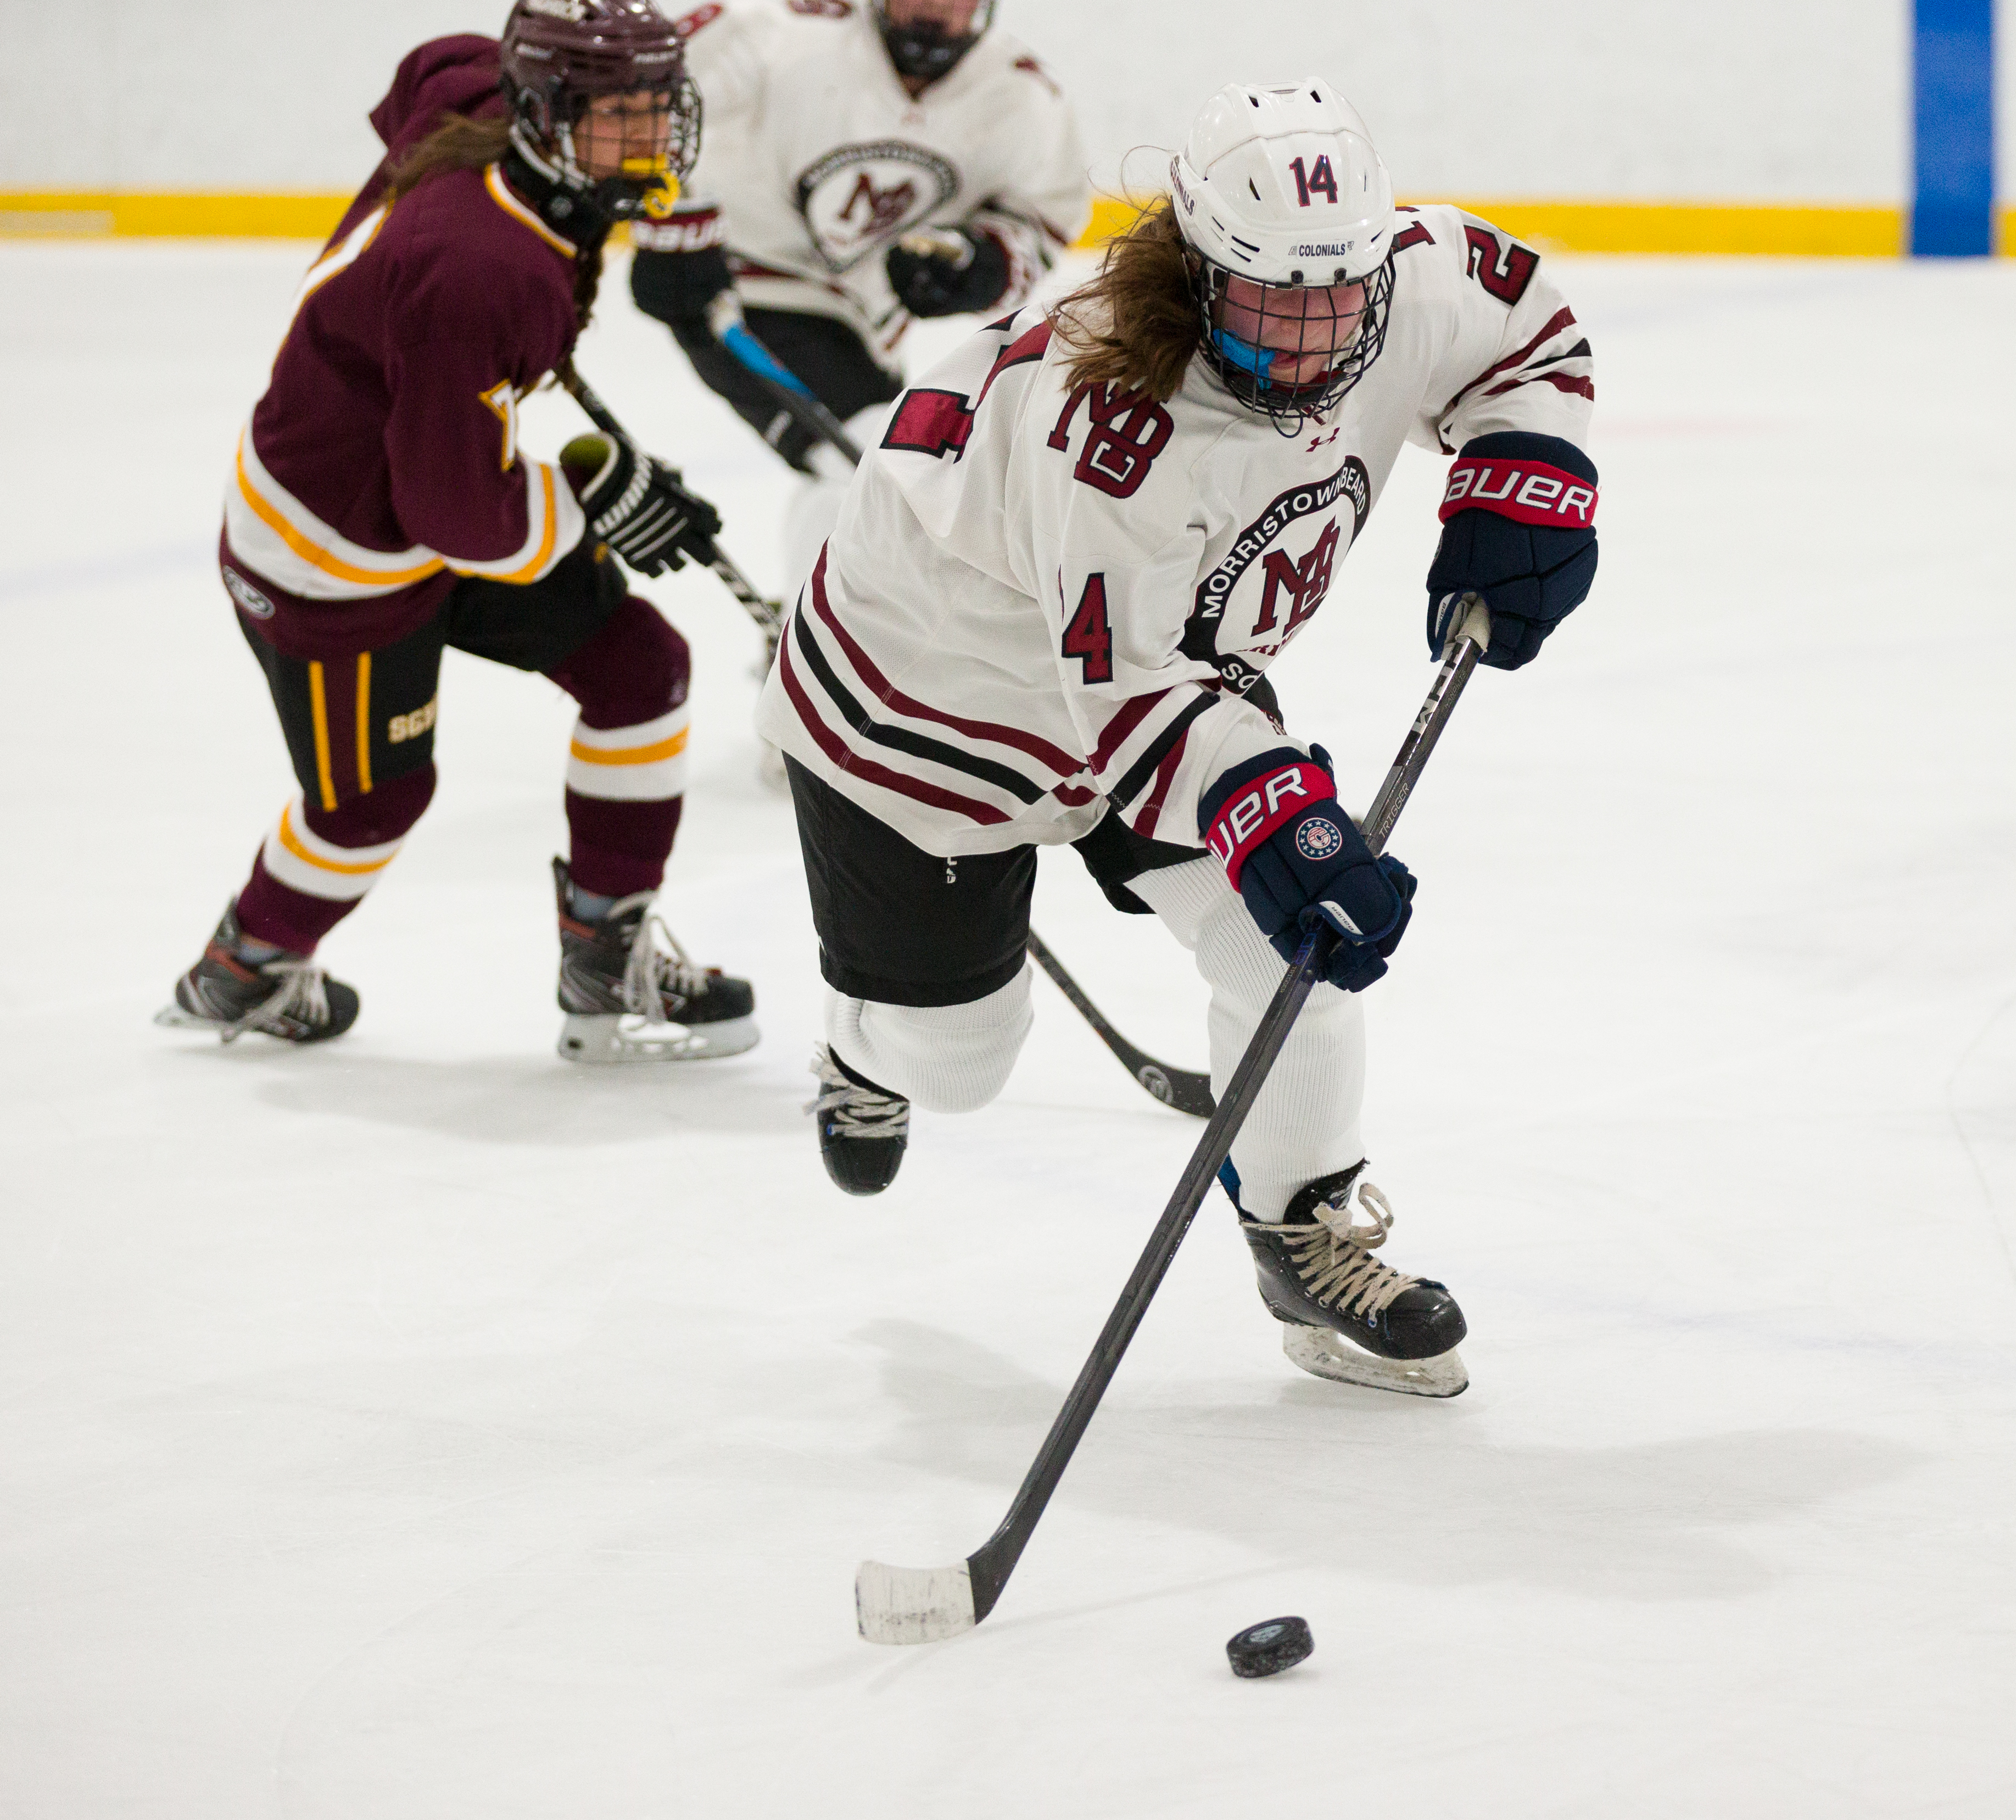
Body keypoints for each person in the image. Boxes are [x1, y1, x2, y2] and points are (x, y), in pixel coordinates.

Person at [761, 83, 1599, 1397]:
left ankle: (1300, 1230)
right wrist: (1282, 815)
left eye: (1342, 291)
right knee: (963, 1062)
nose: (1322, 332)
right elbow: (1134, 703)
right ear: (1203, 274)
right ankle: (864, 1042)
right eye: (1276, 298)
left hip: (1158, 667)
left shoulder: (1407, 276)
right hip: (930, 697)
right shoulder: (1110, 422)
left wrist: (1525, 474)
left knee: (1292, 942)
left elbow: (1527, 330)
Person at [161, 0, 758, 1064]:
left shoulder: (476, 95)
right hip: (329, 554)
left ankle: (602, 957)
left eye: (654, 110)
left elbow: (421, 70)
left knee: (641, 669)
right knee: (372, 804)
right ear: (541, 112)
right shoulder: (485, 270)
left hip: (417, 492)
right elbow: (453, 514)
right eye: (616, 116)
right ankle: (243, 967)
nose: (649, 140)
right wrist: (592, 498)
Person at [629, 0, 1092, 610]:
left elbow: (1038, 220)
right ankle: (815, 642)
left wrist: (979, 265)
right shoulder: (784, 34)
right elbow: (635, 102)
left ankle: (813, 633)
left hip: (868, 333)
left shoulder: (1023, 96)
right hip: (742, 294)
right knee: (870, 462)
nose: (933, 9)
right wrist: (667, 219)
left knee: (874, 466)